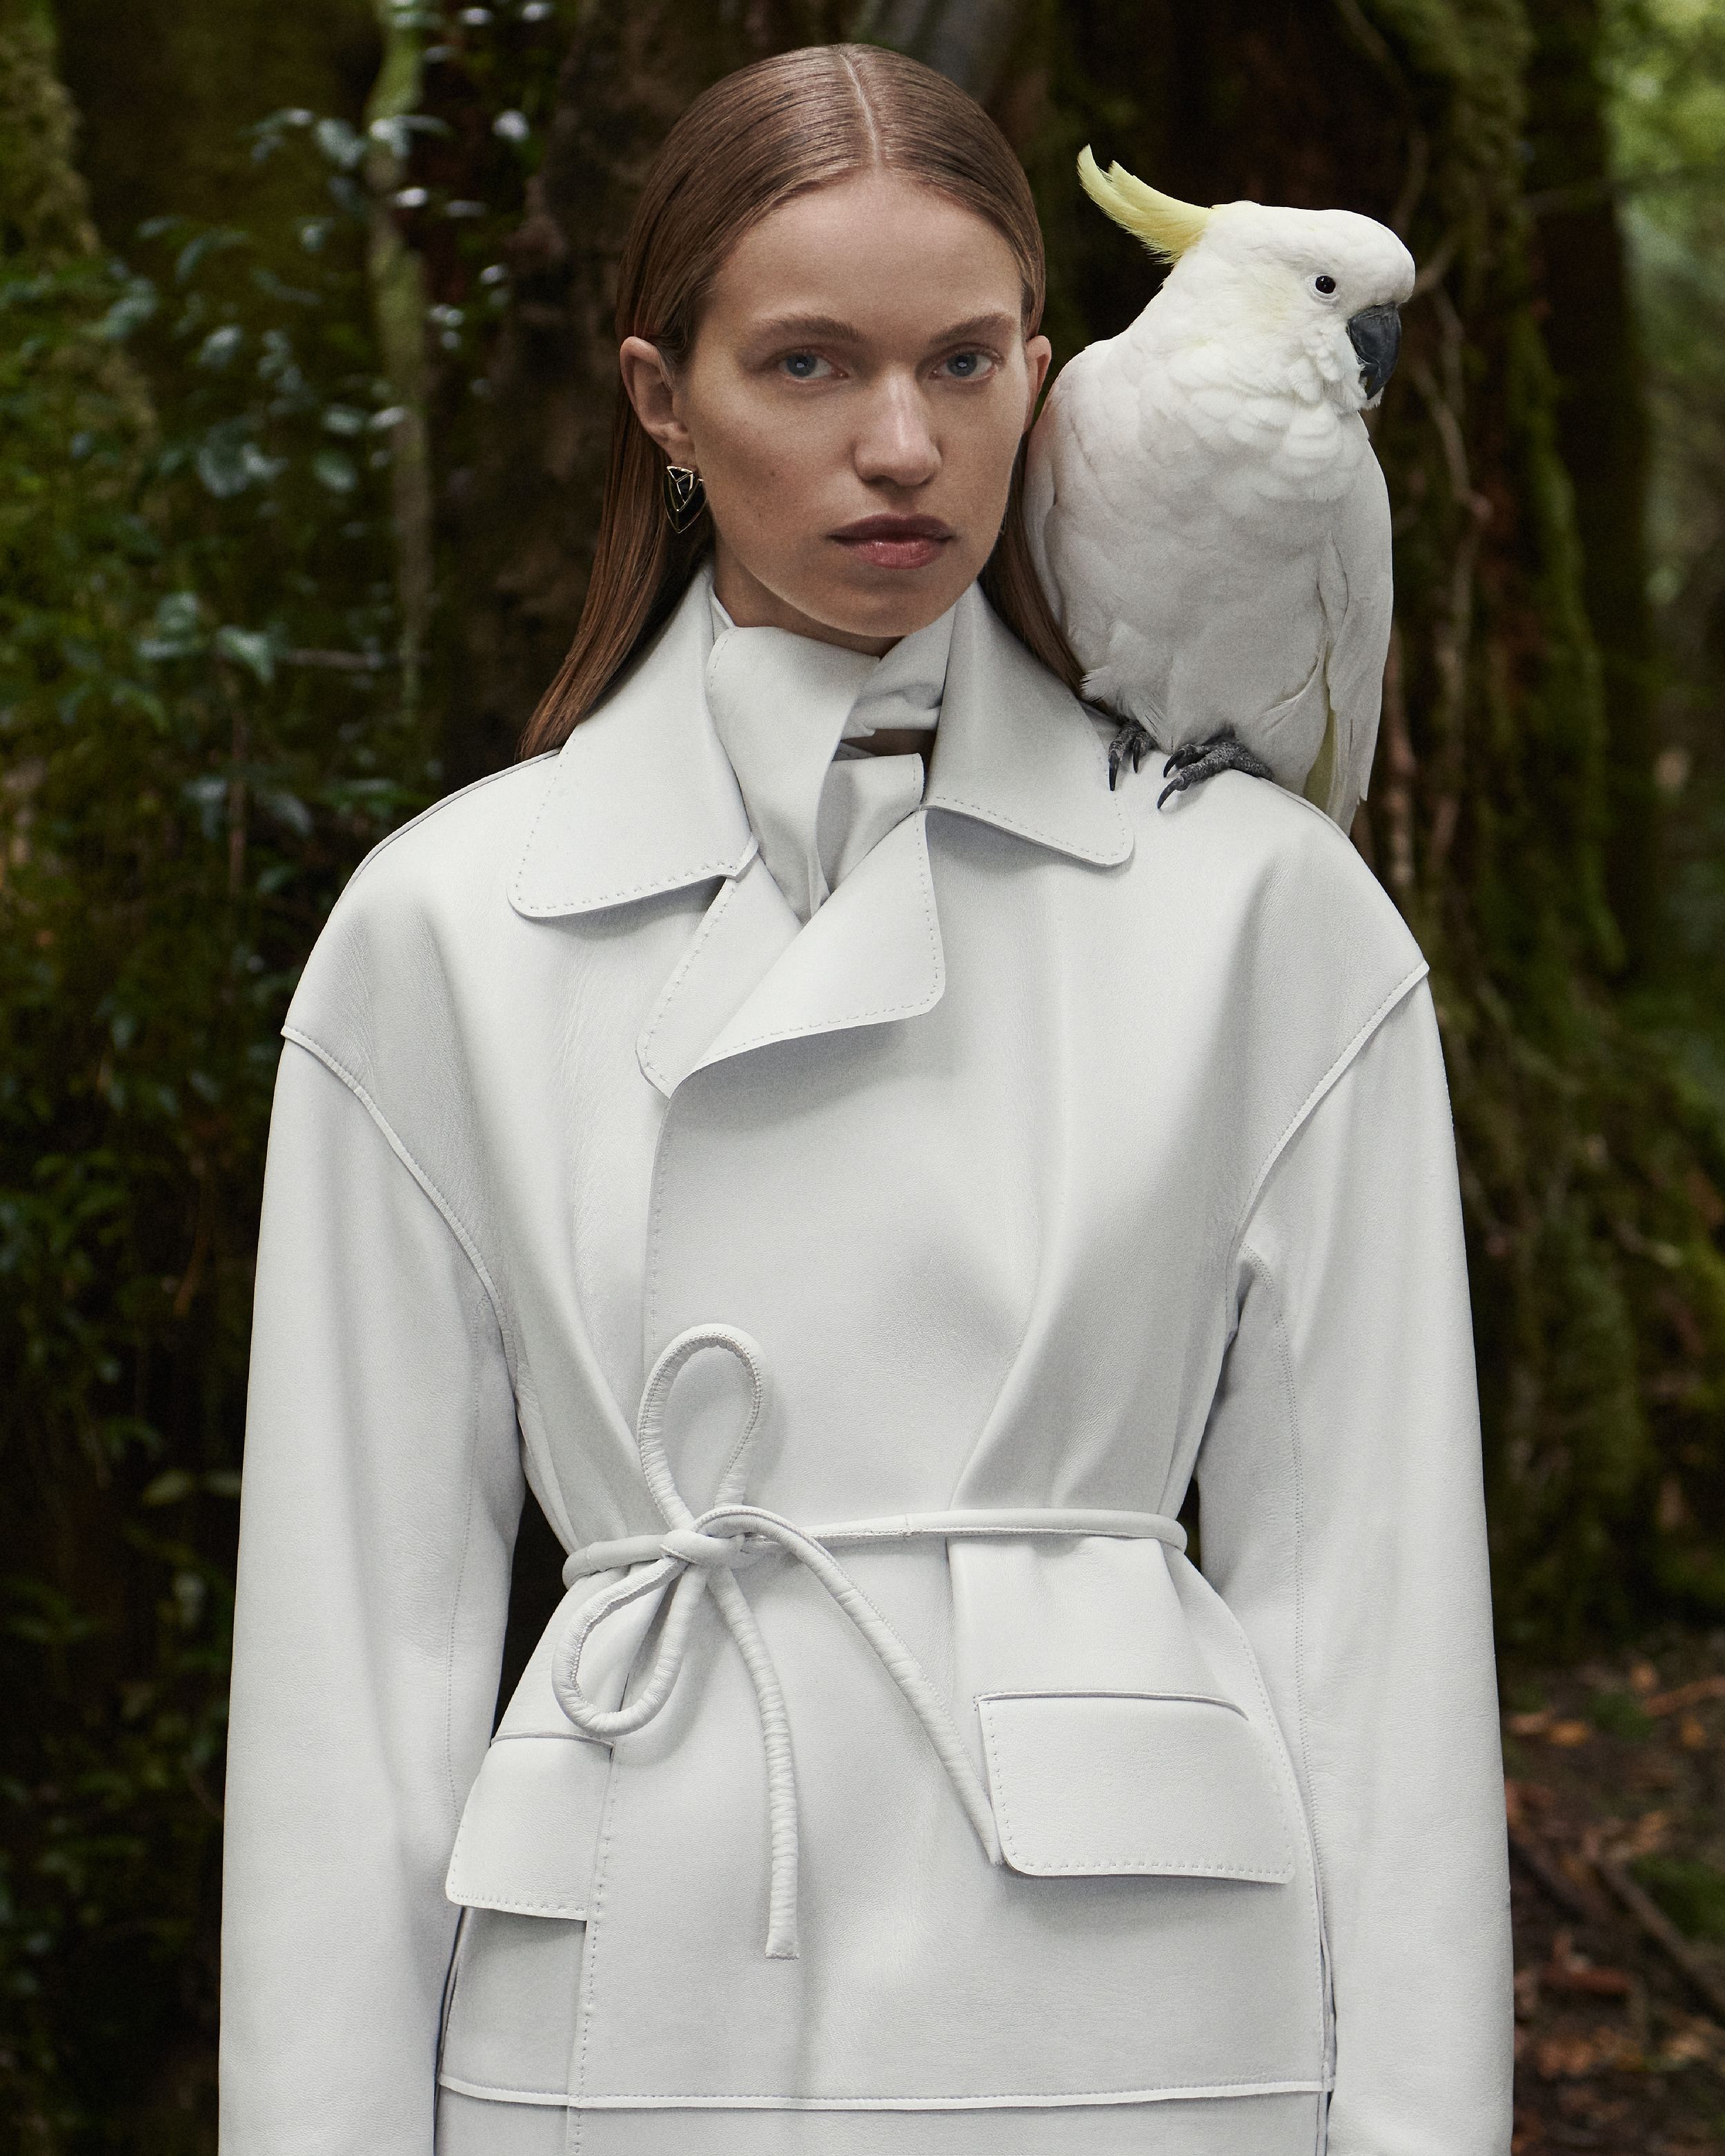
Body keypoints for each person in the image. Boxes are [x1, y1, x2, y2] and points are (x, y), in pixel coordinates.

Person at [219, 41, 1513, 2156]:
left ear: (1045, 375)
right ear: (662, 398)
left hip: (1147, 2027)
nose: (901, 446)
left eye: (968, 362)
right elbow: (347, 1678)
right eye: (806, 364)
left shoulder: (1267, 915)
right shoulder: (442, 926)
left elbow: (1372, 1625)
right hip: (621, 2003)